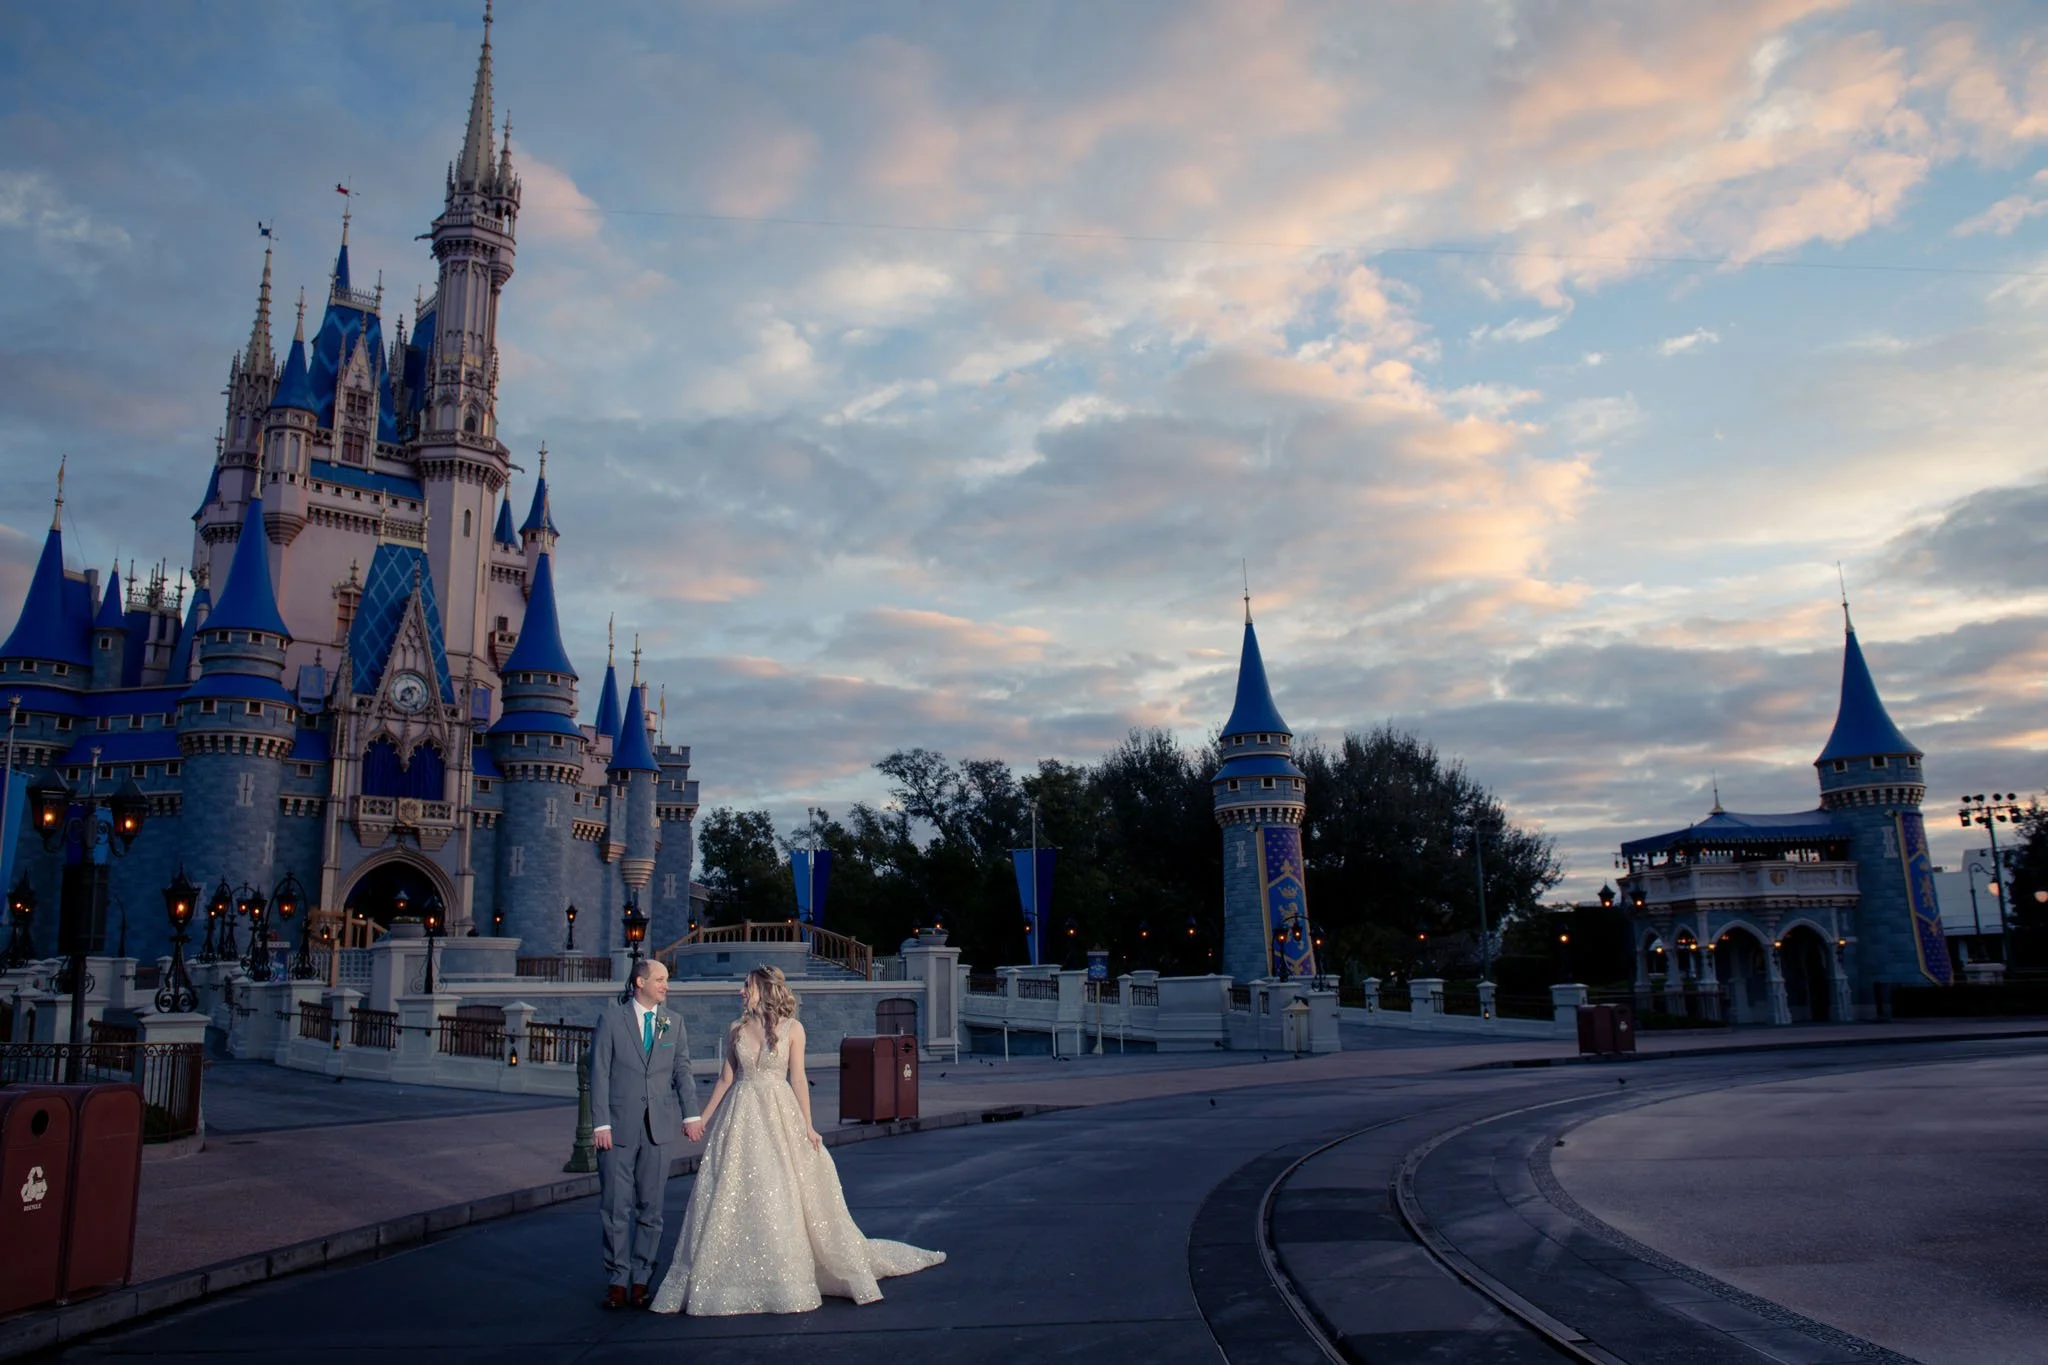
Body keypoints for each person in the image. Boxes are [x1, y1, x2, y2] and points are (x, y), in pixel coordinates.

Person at [650, 965, 945, 1315]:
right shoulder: (735, 1029)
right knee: (734, 1188)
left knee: (781, 1187)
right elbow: (726, 1079)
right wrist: (703, 1118)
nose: (741, 992)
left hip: (779, 1112)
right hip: (741, 1115)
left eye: (747, 986)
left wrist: (808, 1125)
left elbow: (799, 1078)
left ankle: (786, 1273)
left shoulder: (794, 1029)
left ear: (763, 990)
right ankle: (733, 1275)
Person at [589, 957, 703, 1310]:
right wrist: (601, 1123)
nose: (666, 986)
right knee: (615, 1206)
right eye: (660, 979)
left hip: (659, 1128)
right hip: (617, 1129)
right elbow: (599, 1073)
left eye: (666, 979)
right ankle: (617, 1280)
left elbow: (682, 1071)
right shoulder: (611, 1020)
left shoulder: (674, 1023)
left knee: (651, 1209)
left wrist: (691, 1114)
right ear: (640, 982)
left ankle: (641, 1280)